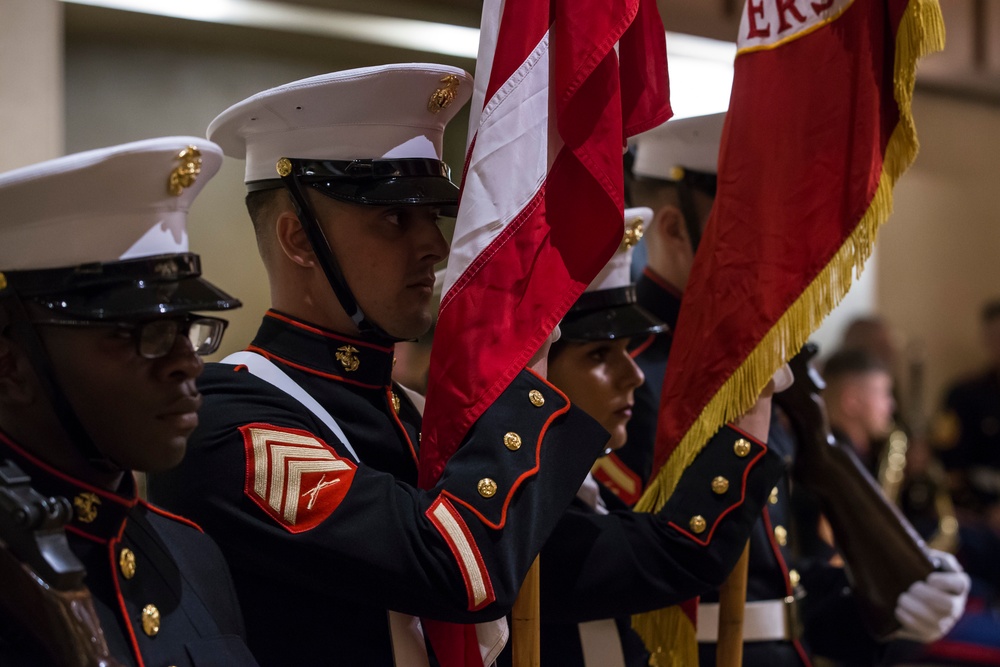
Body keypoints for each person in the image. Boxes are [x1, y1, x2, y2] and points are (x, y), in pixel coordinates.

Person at [147, 64, 611, 666]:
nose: (436, 246)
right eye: (394, 218)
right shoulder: (228, 422)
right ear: (299, 241)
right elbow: (455, 566)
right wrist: (518, 367)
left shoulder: (405, 413)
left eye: (432, 216)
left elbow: (607, 563)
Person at [622, 113, 969, 666]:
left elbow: (772, 566)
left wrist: (870, 606)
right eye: (746, 224)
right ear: (672, 228)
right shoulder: (623, 371)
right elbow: (633, 566)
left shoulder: (763, 360)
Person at [0, 138, 257, 666]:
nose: (187, 362)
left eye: (186, 329)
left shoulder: (192, 556)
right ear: (10, 366)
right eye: (141, 332)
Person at [511, 208, 785, 667]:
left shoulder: (583, 497)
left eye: (627, 350)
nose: (635, 375)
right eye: (600, 353)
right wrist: (751, 400)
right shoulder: (524, 518)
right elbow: (674, 553)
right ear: (536, 375)